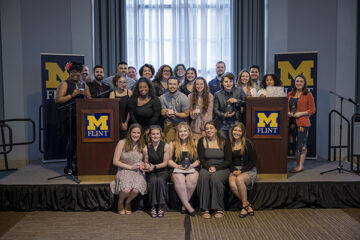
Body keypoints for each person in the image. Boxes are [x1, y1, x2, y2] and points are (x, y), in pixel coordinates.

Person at [55, 61, 91, 174]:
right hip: (69, 117)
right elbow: (58, 100)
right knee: (73, 141)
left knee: (82, 142)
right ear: (69, 73)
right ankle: (69, 166)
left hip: (82, 117)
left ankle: (79, 164)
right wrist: (72, 95)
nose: (75, 74)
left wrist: (86, 95)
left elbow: (90, 100)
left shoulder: (84, 85)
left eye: (78, 72)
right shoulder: (64, 84)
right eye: (73, 72)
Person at [110, 123, 148, 215]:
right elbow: (115, 161)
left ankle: (128, 202)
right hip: (124, 170)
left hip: (137, 172)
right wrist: (130, 167)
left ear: (141, 134)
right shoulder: (122, 143)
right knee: (126, 189)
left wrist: (144, 165)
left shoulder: (143, 145)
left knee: (136, 190)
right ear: (129, 133)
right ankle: (120, 201)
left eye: (138, 133)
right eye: (133, 132)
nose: (136, 135)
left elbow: (146, 161)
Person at [197, 121, 231, 219]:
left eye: (211, 128)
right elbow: (202, 159)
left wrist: (216, 168)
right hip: (207, 166)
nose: (209, 130)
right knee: (203, 176)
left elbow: (228, 161)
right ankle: (205, 208)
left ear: (216, 129)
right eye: (207, 128)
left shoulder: (224, 141)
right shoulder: (202, 141)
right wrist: (208, 168)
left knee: (215, 178)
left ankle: (219, 208)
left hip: (222, 168)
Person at [168, 122, 200, 216]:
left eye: (185, 131)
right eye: (180, 131)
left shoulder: (195, 143)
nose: (183, 133)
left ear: (189, 132)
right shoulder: (172, 144)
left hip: (192, 168)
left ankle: (183, 205)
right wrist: (177, 166)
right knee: (179, 178)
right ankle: (188, 206)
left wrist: (193, 165)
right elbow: (169, 161)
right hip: (177, 169)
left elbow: (199, 160)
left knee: (192, 179)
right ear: (177, 133)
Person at [228, 123, 257, 218]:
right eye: (235, 130)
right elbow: (228, 161)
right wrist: (234, 170)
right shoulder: (228, 144)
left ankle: (244, 206)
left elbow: (253, 161)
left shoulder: (248, 143)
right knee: (232, 184)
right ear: (232, 131)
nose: (237, 132)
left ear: (243, 132)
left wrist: (241, 171)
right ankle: (247, 205)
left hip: (248, 169)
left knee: (239, 180)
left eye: (239, 131)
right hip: (234, 169)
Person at [288, 74, 316, 173]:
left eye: (301, 81)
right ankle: (297, 164)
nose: (299, 83)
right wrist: (288, 113)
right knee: (293, 145)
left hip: (302, 123)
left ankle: (300, 166)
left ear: (304, 83)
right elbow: (287, 106)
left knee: (301, 145)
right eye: (297, 81)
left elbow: (312, 110)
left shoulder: (308, 94)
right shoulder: (290, 94)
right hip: (291, 122)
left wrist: (301, 113)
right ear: (294, 83)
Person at [145, 125, 171, 218]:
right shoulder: (146, 147)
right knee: (152, 181)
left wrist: (154, 166)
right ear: (150, 135)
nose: (155, 136)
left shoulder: (166, 146)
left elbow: (165, 163)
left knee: (160, 180)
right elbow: (146, 161)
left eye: (157, 134)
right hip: (151, 171)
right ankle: (152, 206)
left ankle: (161, 206)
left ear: (161, 135)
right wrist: (147, 165)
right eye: (153, 134)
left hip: (163, 171)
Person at [213, 72, 246, 138]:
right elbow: (215, 110)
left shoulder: (239, 90)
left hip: (236, 122)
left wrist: (237, 101)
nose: (228, 84)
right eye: (226, 82)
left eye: (230, 81)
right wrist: (224, 115)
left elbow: (246, 103)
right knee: (222, 144)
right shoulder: (217, 94)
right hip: (223, 123)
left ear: (233, 82)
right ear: (222, 82)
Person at [159, 77, 190, 142]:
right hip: (169, 122)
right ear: (167, 85)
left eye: (174, 84)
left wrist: (175, 113)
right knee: (169, 143)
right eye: (170, 84)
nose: (172, 86)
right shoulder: (162, 97)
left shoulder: (183, 97)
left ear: (178, 85)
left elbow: (186, 114)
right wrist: (166, 114)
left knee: (182, 142)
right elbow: (162, 112)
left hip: (182, 122)